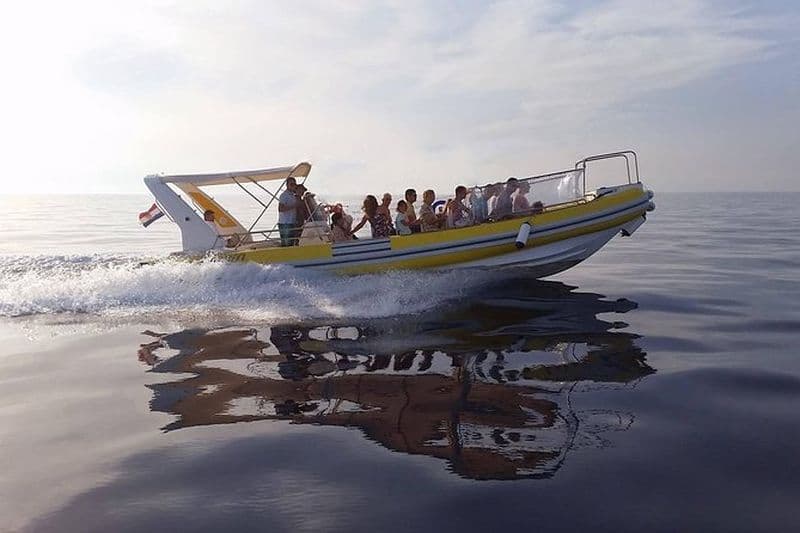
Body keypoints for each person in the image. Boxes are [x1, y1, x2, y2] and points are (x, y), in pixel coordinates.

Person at [278, 177, 298, 246]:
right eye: (291, 184)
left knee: (291, 242)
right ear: (287, 185)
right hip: (285, 223)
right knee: (286, 244)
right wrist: (294, 206)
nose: (293, 186)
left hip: (292, 222)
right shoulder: (284, 195)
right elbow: (280, 208)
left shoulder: (293, 195)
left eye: (294, 184)